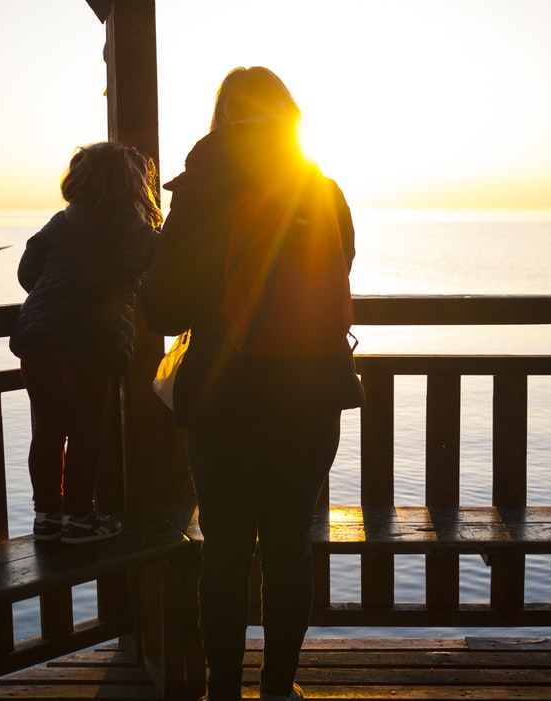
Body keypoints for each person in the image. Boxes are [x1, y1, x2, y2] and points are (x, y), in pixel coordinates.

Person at [139, 67, 364, 701]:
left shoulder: (204, 187)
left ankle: (222, 693)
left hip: (224, 394)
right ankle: (279, 689)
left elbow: (163, 308)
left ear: (223, 118)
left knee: (227, 547)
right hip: (314, 388)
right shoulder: (321, 187)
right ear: (289, 115)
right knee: (290, 543)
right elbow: (340, 268)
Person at [10, 142, 161, 544]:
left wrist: (54, 298)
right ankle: (79, 516)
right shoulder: (139, 230)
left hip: (37, 339)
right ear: (132, 182)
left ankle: (47, 517)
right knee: (85, 431)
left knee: (47, 430)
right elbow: (158, 276)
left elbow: (28, 273)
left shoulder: (61, 222)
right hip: (93, 343)